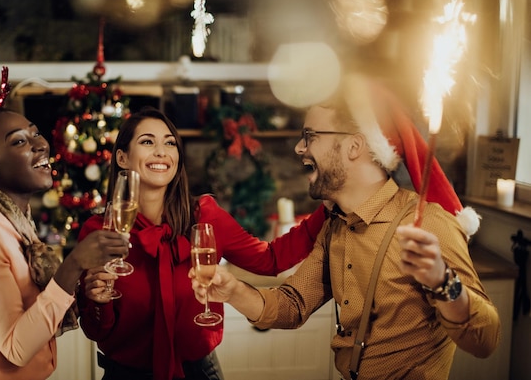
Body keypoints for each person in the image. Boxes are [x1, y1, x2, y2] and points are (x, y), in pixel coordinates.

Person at [190, 73, 501, 380]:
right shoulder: (336, 226)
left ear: (354, 146)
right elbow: (293, 305)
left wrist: (442, 282)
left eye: (310, 135)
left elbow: (485, 340)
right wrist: (232, 291)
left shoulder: (431, 224)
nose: (300, 148)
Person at [76, 107, 327, 380]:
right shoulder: (98, 231)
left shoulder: (205, 215)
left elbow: (271, 259)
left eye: (170, 143)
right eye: (147, 141)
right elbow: (96, 330)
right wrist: (96, 301)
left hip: (199, 373)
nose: (161, 151)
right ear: (122, 157)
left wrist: (328, 209)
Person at [0, 69, 127, 380]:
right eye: (19, 141)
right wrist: (74, 263)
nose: (40, 145)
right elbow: (16, 347)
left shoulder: (14, 223)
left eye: (35, 133)